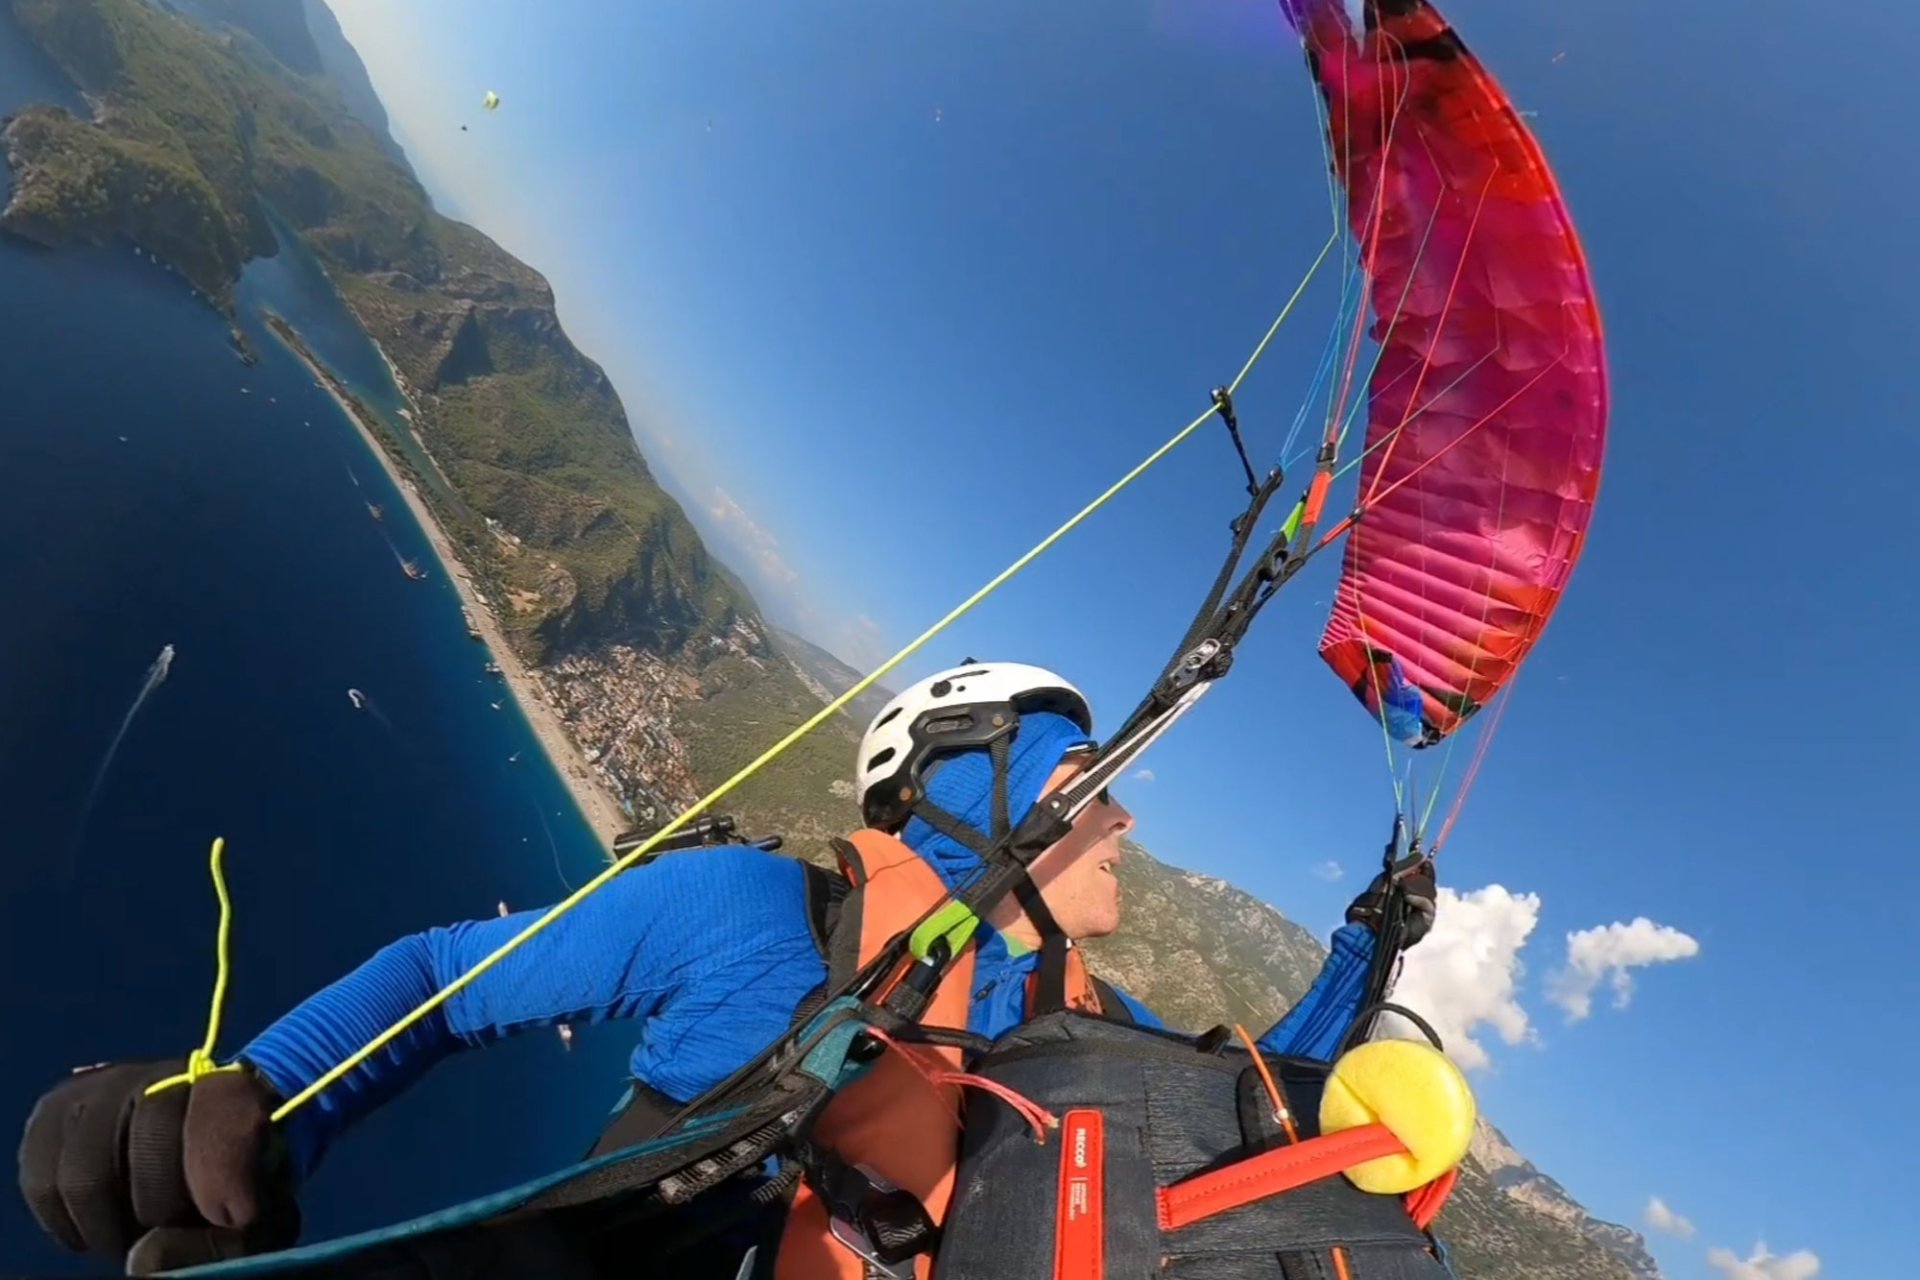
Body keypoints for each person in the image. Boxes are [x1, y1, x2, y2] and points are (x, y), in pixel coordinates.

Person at [18, 661, 1437, 1276]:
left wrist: (1369, 941)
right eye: (1086, 784)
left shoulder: (1077, 1029)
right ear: (972, 790)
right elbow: (441, 981)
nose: (1120, 819)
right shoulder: (752, 913)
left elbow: (1259, 1100)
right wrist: (264, 1100)